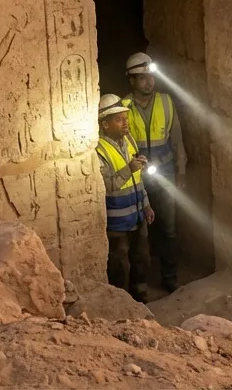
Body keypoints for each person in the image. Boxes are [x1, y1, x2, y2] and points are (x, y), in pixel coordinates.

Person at [122, 52, 186, 293]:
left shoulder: (166, 102)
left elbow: (178, 140)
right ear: (131, 81)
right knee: (141, 234)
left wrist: (181, 172)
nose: (149, 82)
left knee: (168, 228)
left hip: (166, 175)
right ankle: (139, 287)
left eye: (151, 77)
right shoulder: (124, 107)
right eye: (142, 78)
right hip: (137, 179)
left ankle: (170, 278)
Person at [96, 93, 154, 303]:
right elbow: (108, 186)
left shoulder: (128, 140)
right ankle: (122, 306)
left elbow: (137, 179)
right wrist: (129, 168)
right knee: (120, 266)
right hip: (117, 223)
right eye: (119, 120)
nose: (125, 124)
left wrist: (146, 205)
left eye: (126, 118)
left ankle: (141, 300)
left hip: (137, 215)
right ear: (105, 124)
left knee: (141, 260)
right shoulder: (98, 150)